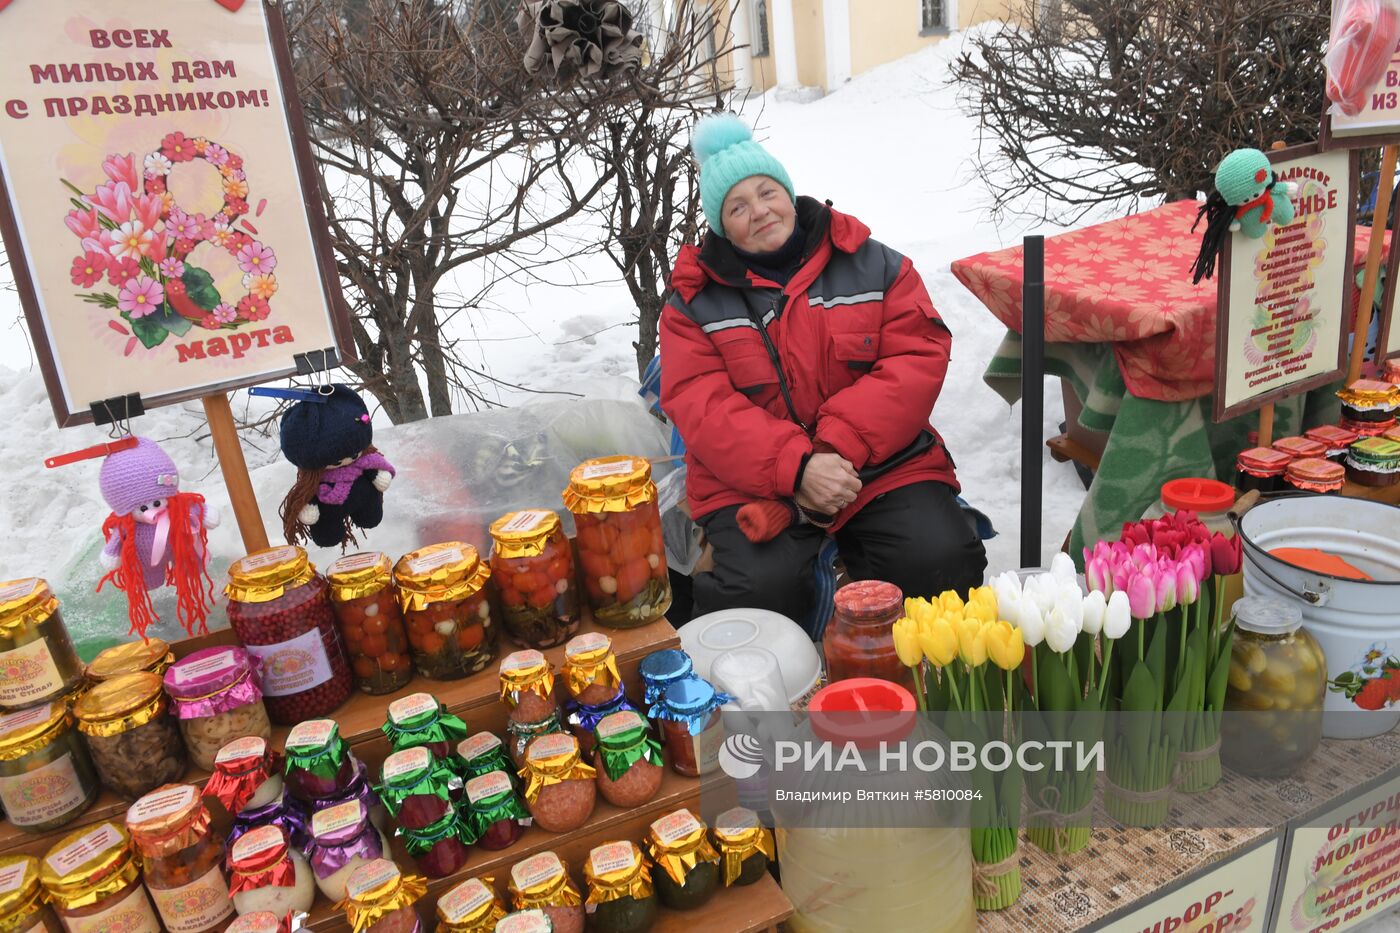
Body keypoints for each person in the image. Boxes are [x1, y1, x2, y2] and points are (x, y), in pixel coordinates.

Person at [659, 113, 987, 632]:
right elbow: (701, 405)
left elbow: (916, 355)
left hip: (880, 466)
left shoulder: (873, 264)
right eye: (737, 207)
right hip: (756, 486)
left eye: (767, 192)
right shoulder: (693, 306)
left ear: (789, 193)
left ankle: (921, 683)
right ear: (722, 226)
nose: (759, 211)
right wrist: (797, 468)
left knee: (938, 560)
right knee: (756, 597)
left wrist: (835, 451)